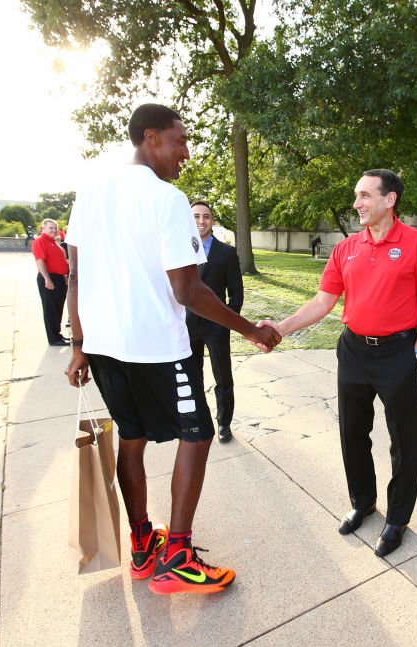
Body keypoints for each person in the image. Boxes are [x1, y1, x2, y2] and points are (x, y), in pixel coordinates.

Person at [64, 103, 280, 596]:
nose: (186, 151)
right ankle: (177, 554)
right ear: (151, 136)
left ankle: (143, 545)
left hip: (103, 346)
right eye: (180, 141)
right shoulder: (167, 199)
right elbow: (187, 289)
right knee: (197, 434)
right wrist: (250, 329)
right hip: (157, 346)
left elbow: (76, 276)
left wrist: (78, 346)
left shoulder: (89, 193)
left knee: (132, 438)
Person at [261, 169, 417, 557]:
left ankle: (398, 518)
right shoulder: (346, 248)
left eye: (364, 196)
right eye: (356, 196)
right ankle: (363, 503)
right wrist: (279, 328)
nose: (356, 203)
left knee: (404, 441)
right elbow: (322, 302)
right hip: (354, 351)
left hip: (399, 352)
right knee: (352, 434)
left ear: (389, 199)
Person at [185, 201, 243, 444]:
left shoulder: (226, 253)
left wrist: (226, 321)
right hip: (187, 325)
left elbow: (236, 294)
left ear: (212, 220)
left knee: (223, 377)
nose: (201, 221)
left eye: (206, 216)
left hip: (216, 326)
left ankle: (224, 423)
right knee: (191, 376)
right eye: (196, 216)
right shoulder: (177, 250)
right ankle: (197, 420)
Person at [32, 218, 69, 346]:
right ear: (43, 229)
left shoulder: (54, 243)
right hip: (49, 278)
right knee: (50, 309)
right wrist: (47, 279)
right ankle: (53, 338)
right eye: (50, 228)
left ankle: (57, 334)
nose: (54, 230)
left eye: (55, 228)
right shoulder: (40, 241)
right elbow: (40, 261)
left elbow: (62, 261)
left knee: (58, 308)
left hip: (59, 279)